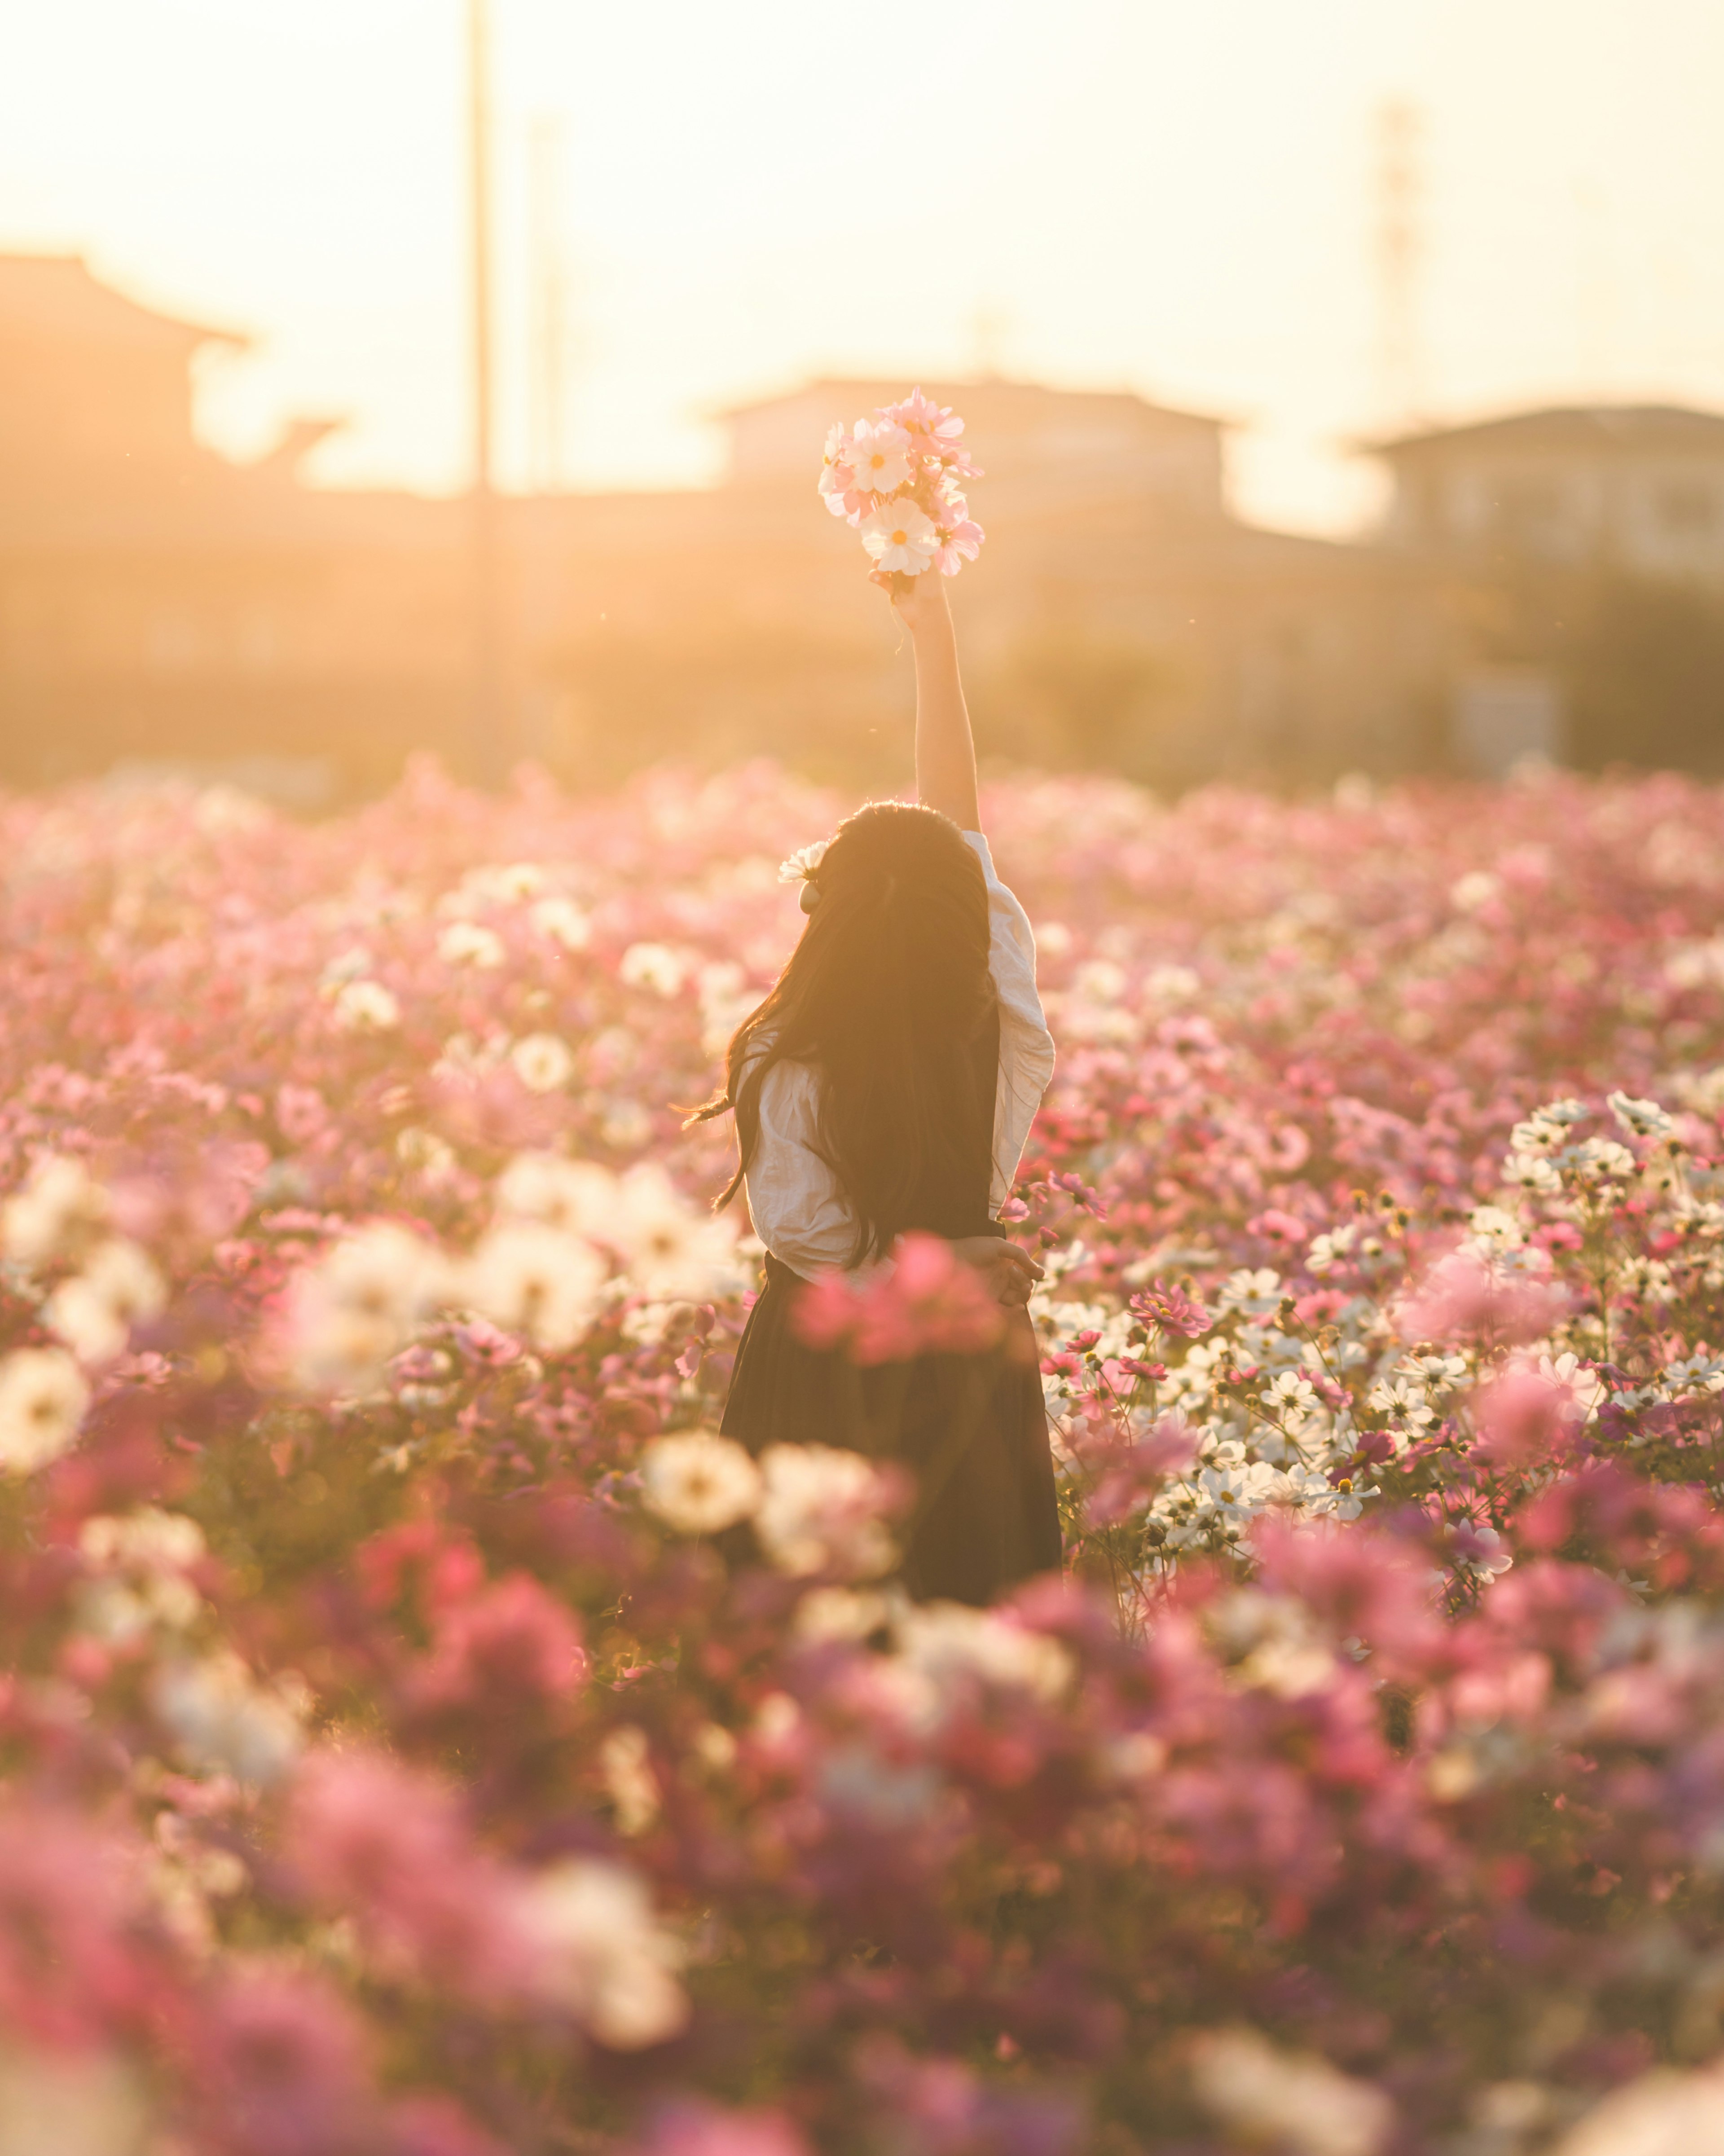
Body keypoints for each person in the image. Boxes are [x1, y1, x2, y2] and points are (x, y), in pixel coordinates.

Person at [689, 572, 1060, 1605]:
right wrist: (933, 633)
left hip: (825, 1378)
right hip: (968, 1357)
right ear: (967, 918)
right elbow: (956, 829)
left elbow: (820, 1249)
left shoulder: (783, 1056)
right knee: (968, 1600)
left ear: (827, 914)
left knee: (814, 1626)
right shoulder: (997, 1018)